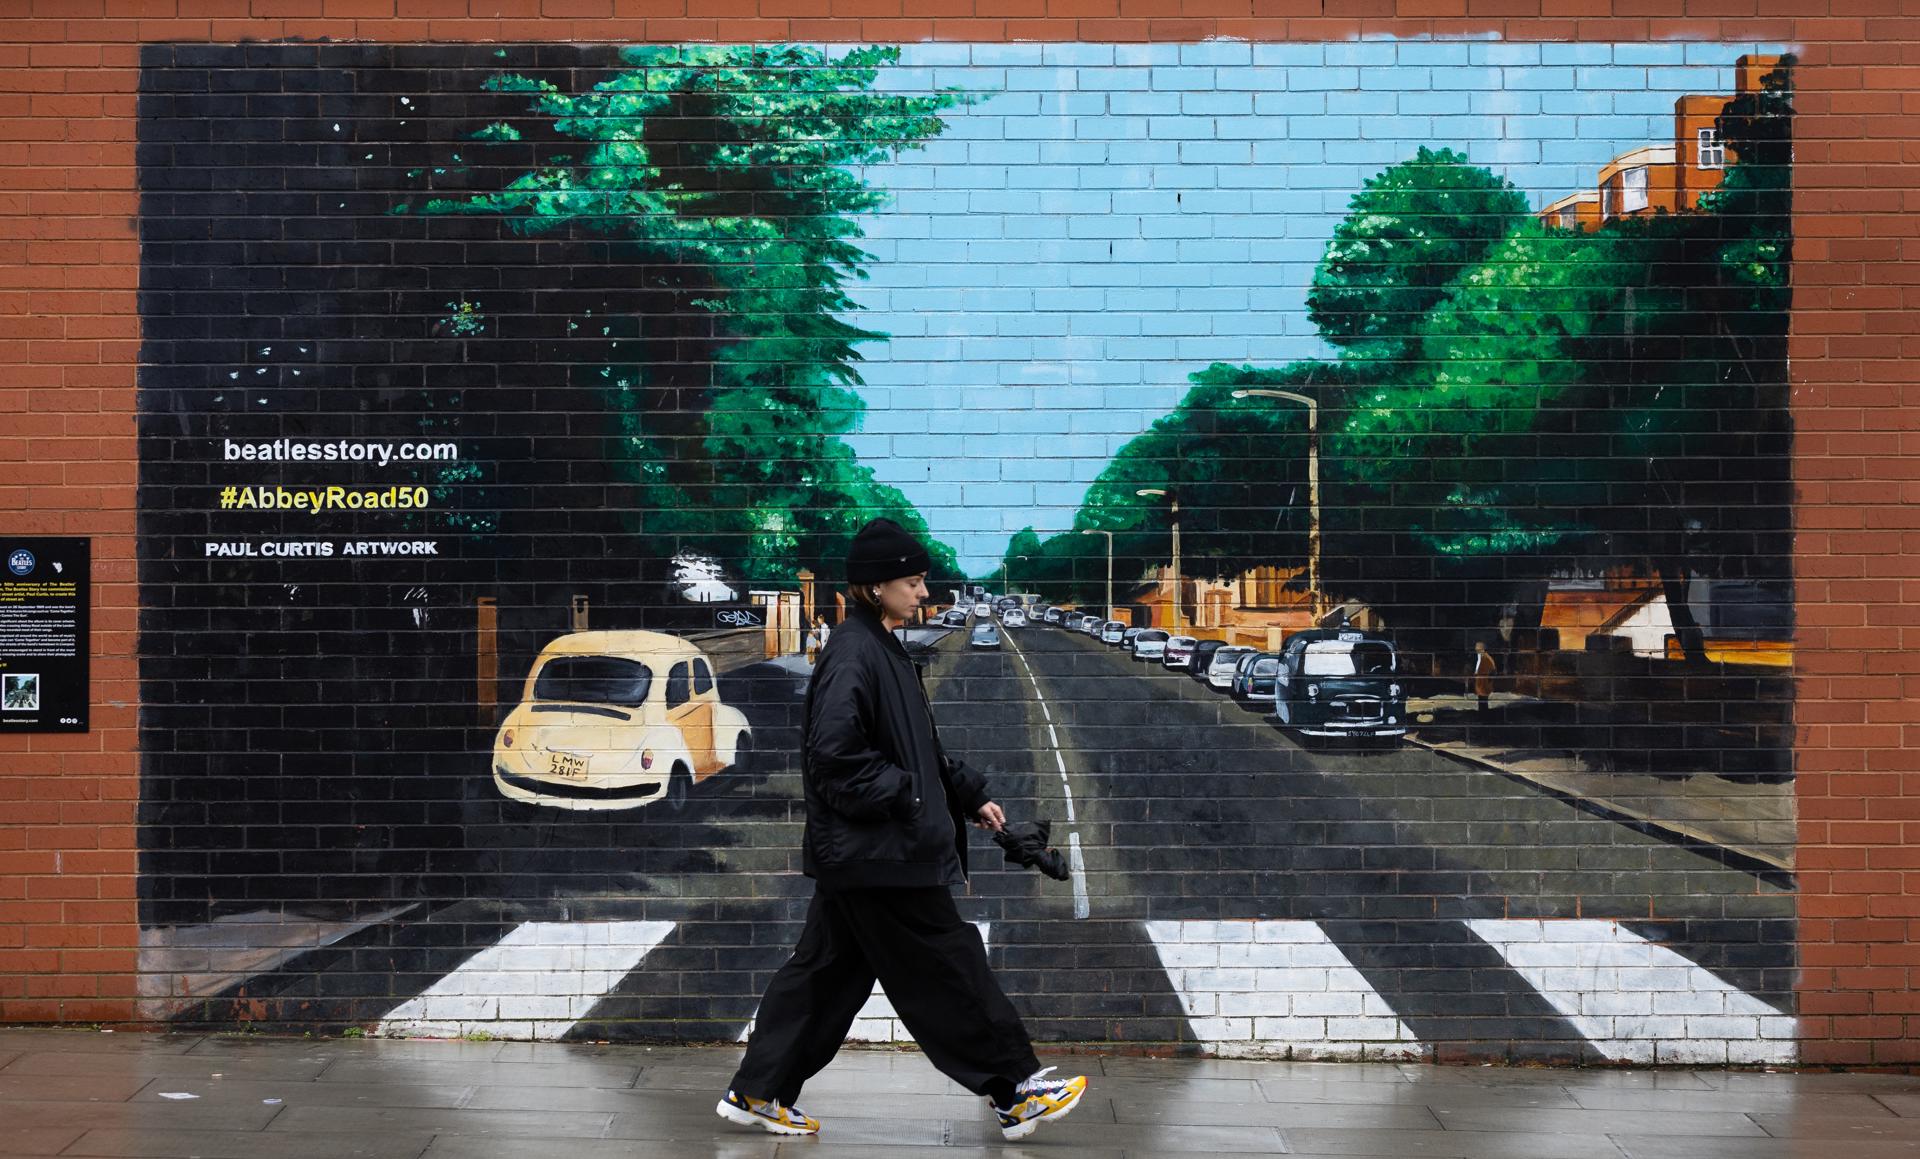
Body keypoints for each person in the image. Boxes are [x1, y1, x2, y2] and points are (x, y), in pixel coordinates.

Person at [717, 518, 1086, 1142]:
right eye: (912, 582)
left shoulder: (882, 649)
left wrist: (967, 795)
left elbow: (913, 747)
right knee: (948, 962)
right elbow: (835, 758)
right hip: (880, 850)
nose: (923, 592)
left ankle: (758, 1091)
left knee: (825, 974)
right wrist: (915, 797)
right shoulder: (854, 654)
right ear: (876, 586)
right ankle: (1015, 1089)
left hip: (868, 851)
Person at [1473, 640, 1496, 712]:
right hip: (1480, 683)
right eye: (1476, 648)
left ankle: (1484, 713)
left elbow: (1493, 669)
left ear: (1482, 649)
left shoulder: (1487, 657)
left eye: (1478, 648)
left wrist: (1488, 680)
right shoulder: (1480, 657)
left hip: (1484, 683)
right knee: (1481, 699)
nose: (1476, 649)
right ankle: (1482, 712)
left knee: (1484, 699)